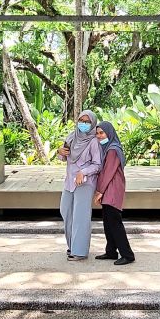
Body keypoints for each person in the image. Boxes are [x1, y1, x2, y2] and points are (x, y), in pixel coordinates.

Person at [57, 109, 103, 260]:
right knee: (66, 211)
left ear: (93, 123)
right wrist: (60, 152)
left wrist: (83, 172)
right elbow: (65, 157)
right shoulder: (72, 136)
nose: (83, 124)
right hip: (69, 182)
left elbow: (97, 165)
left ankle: (80, 251)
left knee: (81, 216)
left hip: (85, 183)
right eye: (81, 121)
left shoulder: (94, 142)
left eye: (87, 122)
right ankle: (72, 246)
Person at [93, 120, 135, 265]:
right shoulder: (108, 148)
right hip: (108, 189)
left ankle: (127, 255)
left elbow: (108, 172)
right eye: (97, 133)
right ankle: (111, 251)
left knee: (114, 222)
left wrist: (99, 191)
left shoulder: (112, 150)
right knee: (108, 222)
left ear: (109, 133)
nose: (99, 136)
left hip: (112, 188)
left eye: (101, 133)